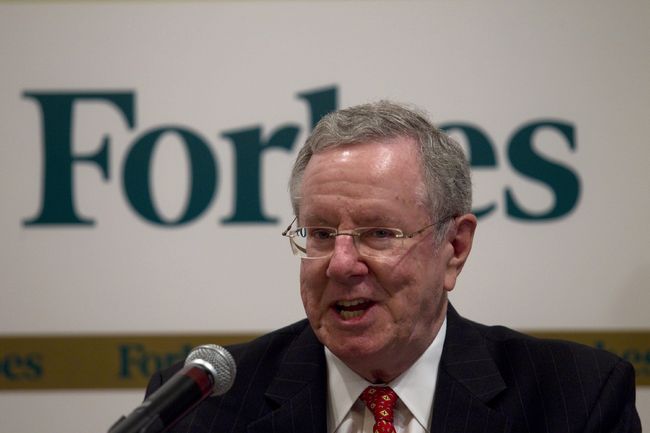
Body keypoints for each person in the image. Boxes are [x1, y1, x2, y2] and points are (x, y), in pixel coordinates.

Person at [146, 101, 641, 432]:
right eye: (320, 234)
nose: (341, 264)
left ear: (455, 247)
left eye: (379, 233)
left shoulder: (576, 398)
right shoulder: (198, 408)